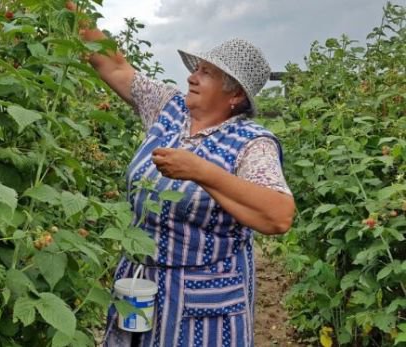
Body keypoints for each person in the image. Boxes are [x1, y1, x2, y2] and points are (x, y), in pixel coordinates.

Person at [74, 7, 296, 347]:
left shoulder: (251, 143)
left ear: (234, 95)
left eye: (206, 73)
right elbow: (114, 64)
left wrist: (202, 172)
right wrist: (71, 10)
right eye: (197, 70)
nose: (192, 77)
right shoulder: (169, 109)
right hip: (140, 285)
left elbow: (279, 215)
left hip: (204, 305)